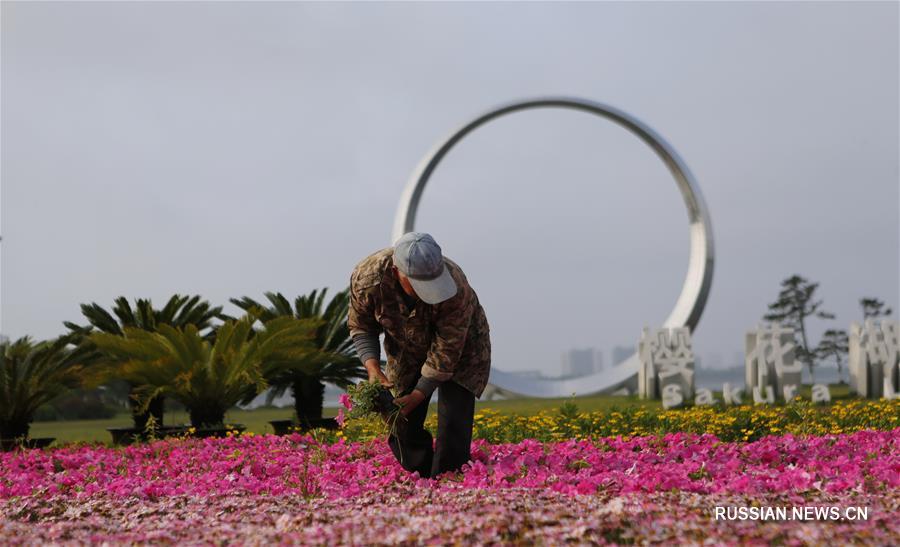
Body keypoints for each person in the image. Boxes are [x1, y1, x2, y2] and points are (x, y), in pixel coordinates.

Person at [347, 232, 491, 479]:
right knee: (401, 418)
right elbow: (362, 326)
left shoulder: (455, 284)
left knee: (454, 416)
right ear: (396, 273)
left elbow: (448, 346)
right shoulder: (367, 279)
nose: (430, 291)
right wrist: (372, 368)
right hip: (406, 346)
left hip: (464, 344)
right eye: (419, 284)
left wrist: (420, 392)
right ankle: (422, 475)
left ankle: (450, 477)